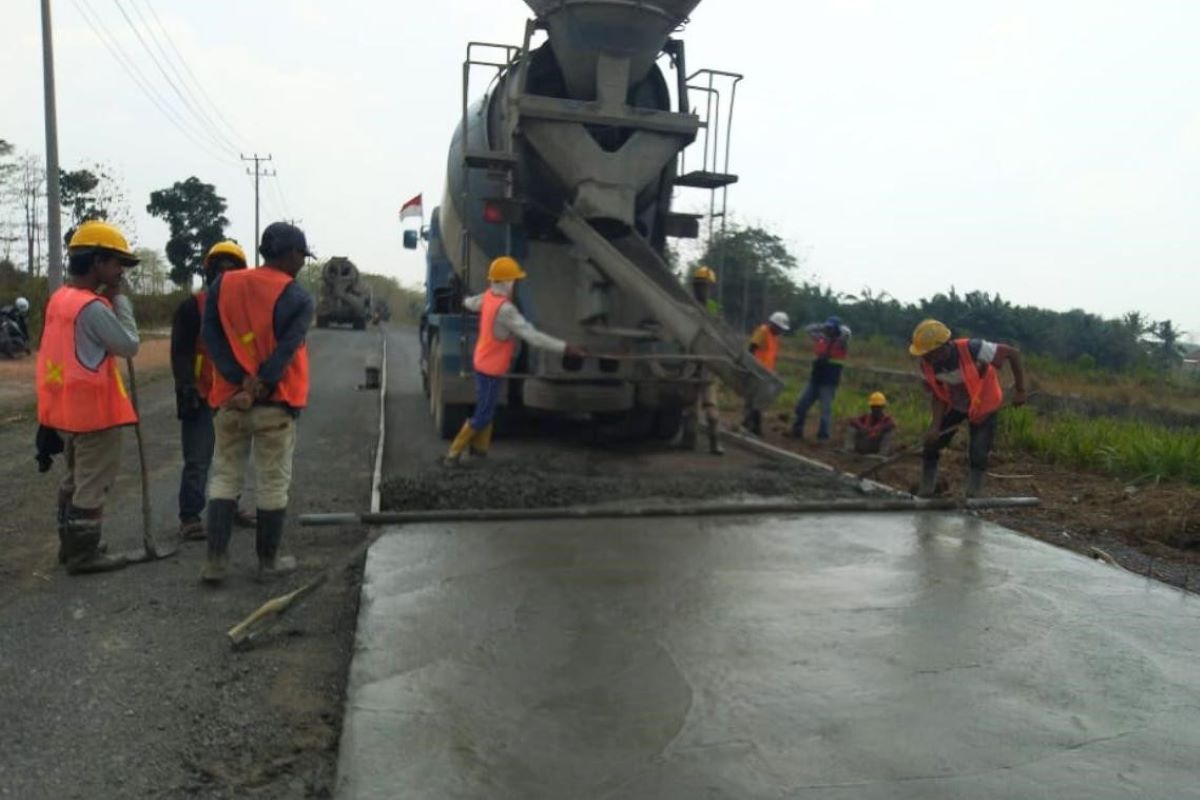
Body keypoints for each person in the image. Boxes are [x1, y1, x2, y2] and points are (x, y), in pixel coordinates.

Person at [201, 222, 314, 583]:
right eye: (301, 256)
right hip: (275, 404)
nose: (302, 263)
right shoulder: (297, 297)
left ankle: (215, 562)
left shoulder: (224, 284)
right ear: (290, 254)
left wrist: (237, 379)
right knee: (272, 482)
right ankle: (268, 562)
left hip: (230, 401)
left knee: (224, 477)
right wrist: (261, 383)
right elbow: (286, 349)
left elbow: (211, 335)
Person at [36, 221, 140, 574]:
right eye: (116, 264)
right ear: (97, 262)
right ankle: (84, 555)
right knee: (92, 485)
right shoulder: (93, 308)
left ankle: (71, 545)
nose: (120, 272)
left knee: (74, 479)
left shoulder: (60, 299)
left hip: (67, 412)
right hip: (96, 414)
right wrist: (122, 301)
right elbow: (128, 345)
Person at [444, 256, 584, 465]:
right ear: (507, 282)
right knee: (483, 413)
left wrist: (462, 299)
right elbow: (532, 336)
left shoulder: (489, 297)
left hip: (483, 364)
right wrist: (564, 348)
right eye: (515, 281)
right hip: (490, 369)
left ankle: (480, 451)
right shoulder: (506, 310)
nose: (517, 285)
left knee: (488, 408)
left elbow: (472, 303)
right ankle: (453, 454)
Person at [170, 240, 254, 541]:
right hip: (202, 393)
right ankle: (190, 516)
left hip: (234, 395)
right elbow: (180, 351)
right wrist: (185, 386)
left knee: (234, 455)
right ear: (209, 273)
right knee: (198, 458)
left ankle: (229, 507)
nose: (225, 276)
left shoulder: (243, 311)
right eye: (219, 270)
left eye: (232, 270)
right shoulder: (193, 307)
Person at [909, 319, 1027, 497]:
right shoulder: (927, 365)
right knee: (931, 444)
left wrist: (1020, 390)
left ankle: (973, 496)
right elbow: (938, 396)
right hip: (956, 404)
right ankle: (926, 489)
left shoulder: (973, 348)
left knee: (978, 451)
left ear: (942, 348)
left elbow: (1013, 353)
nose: (924, 357)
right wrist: (935, 426)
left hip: (984, 404)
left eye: (927, 353)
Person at [679, 266, 723, 455]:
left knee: (694, 404)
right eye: (703, 286)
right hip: (707, 361)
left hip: (694, 360)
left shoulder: (688, 306)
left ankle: (691, 441)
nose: (703, 289)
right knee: (707, 403)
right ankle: (713, 443)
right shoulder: (714, 310)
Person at [788, 315, 851, 441]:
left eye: (831, 328)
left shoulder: (841, 342)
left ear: (837, 329)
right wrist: (822, 326)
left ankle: (823, 437)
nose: (828, 330)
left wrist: (837, 327)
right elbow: (808, 329)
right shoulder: (821, 339)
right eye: (827, 328)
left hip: (829, 383)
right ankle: (797, 430)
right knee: (801, 406)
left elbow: (847, 333)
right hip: (815, 380)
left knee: (825, 411)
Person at [742, 311, 789, 436]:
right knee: (756, 399)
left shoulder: (774, 337)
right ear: (774, 324)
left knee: (758, 400)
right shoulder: (763, 331)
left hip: (766, 373)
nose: (780, 331)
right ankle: (753, 427)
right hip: (757, 370)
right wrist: (751, 366)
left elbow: (770, 356)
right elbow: (751, 348)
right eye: (779, 328)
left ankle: (749, 424)